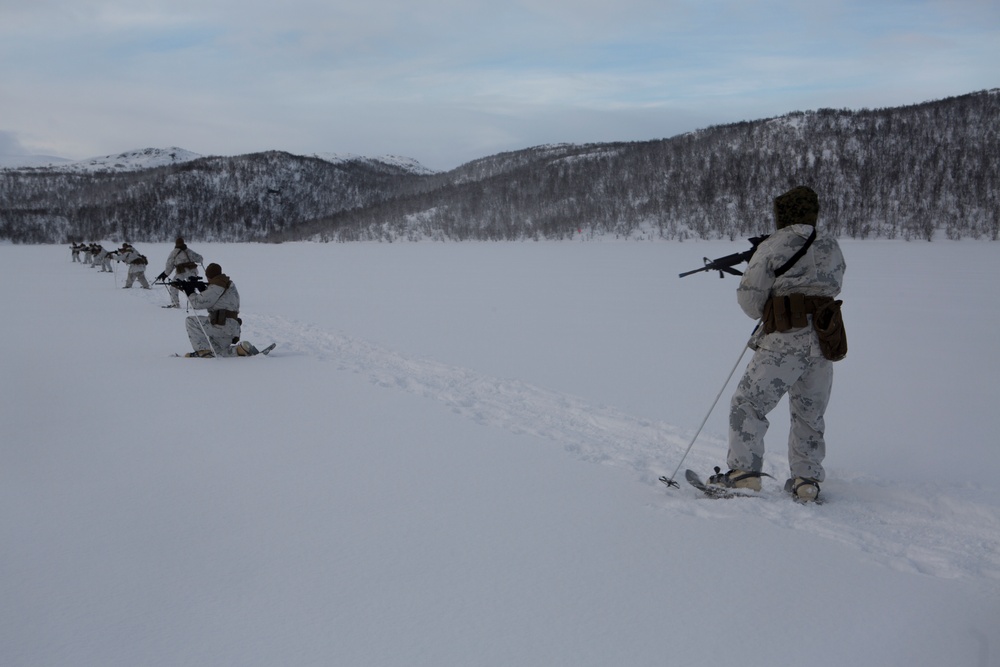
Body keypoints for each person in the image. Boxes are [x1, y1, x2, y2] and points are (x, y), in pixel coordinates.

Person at [709, 185, 846, 502]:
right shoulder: (831, 244)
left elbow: (750, 301)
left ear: (783, 213)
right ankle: (806, 481)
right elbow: (834, 284)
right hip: (825, 339)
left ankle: (743, 475)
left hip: (784, 342)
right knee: (809, 414)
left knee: (748, 403)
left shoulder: (775, 244)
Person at [180, 262, 244, 357]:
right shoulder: (228, 284)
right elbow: (217, 301)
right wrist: (203, 290)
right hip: (231, 327)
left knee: (191, 321)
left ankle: (202, 351)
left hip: (222, 325)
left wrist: (190, 292)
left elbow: (197, 303)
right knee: (217, 351)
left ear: (208, 276)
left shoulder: (217, 286)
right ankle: (239, 350)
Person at [157, 237, 203, 308]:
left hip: (182, 273)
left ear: (176, 244)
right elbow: (200, 259)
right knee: (191, 287)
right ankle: (195, 304)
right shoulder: (189, 251)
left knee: (174, 286)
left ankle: (175, 304)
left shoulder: (174, 253)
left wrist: (165, 274)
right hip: (193, 272)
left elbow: (169, 265)